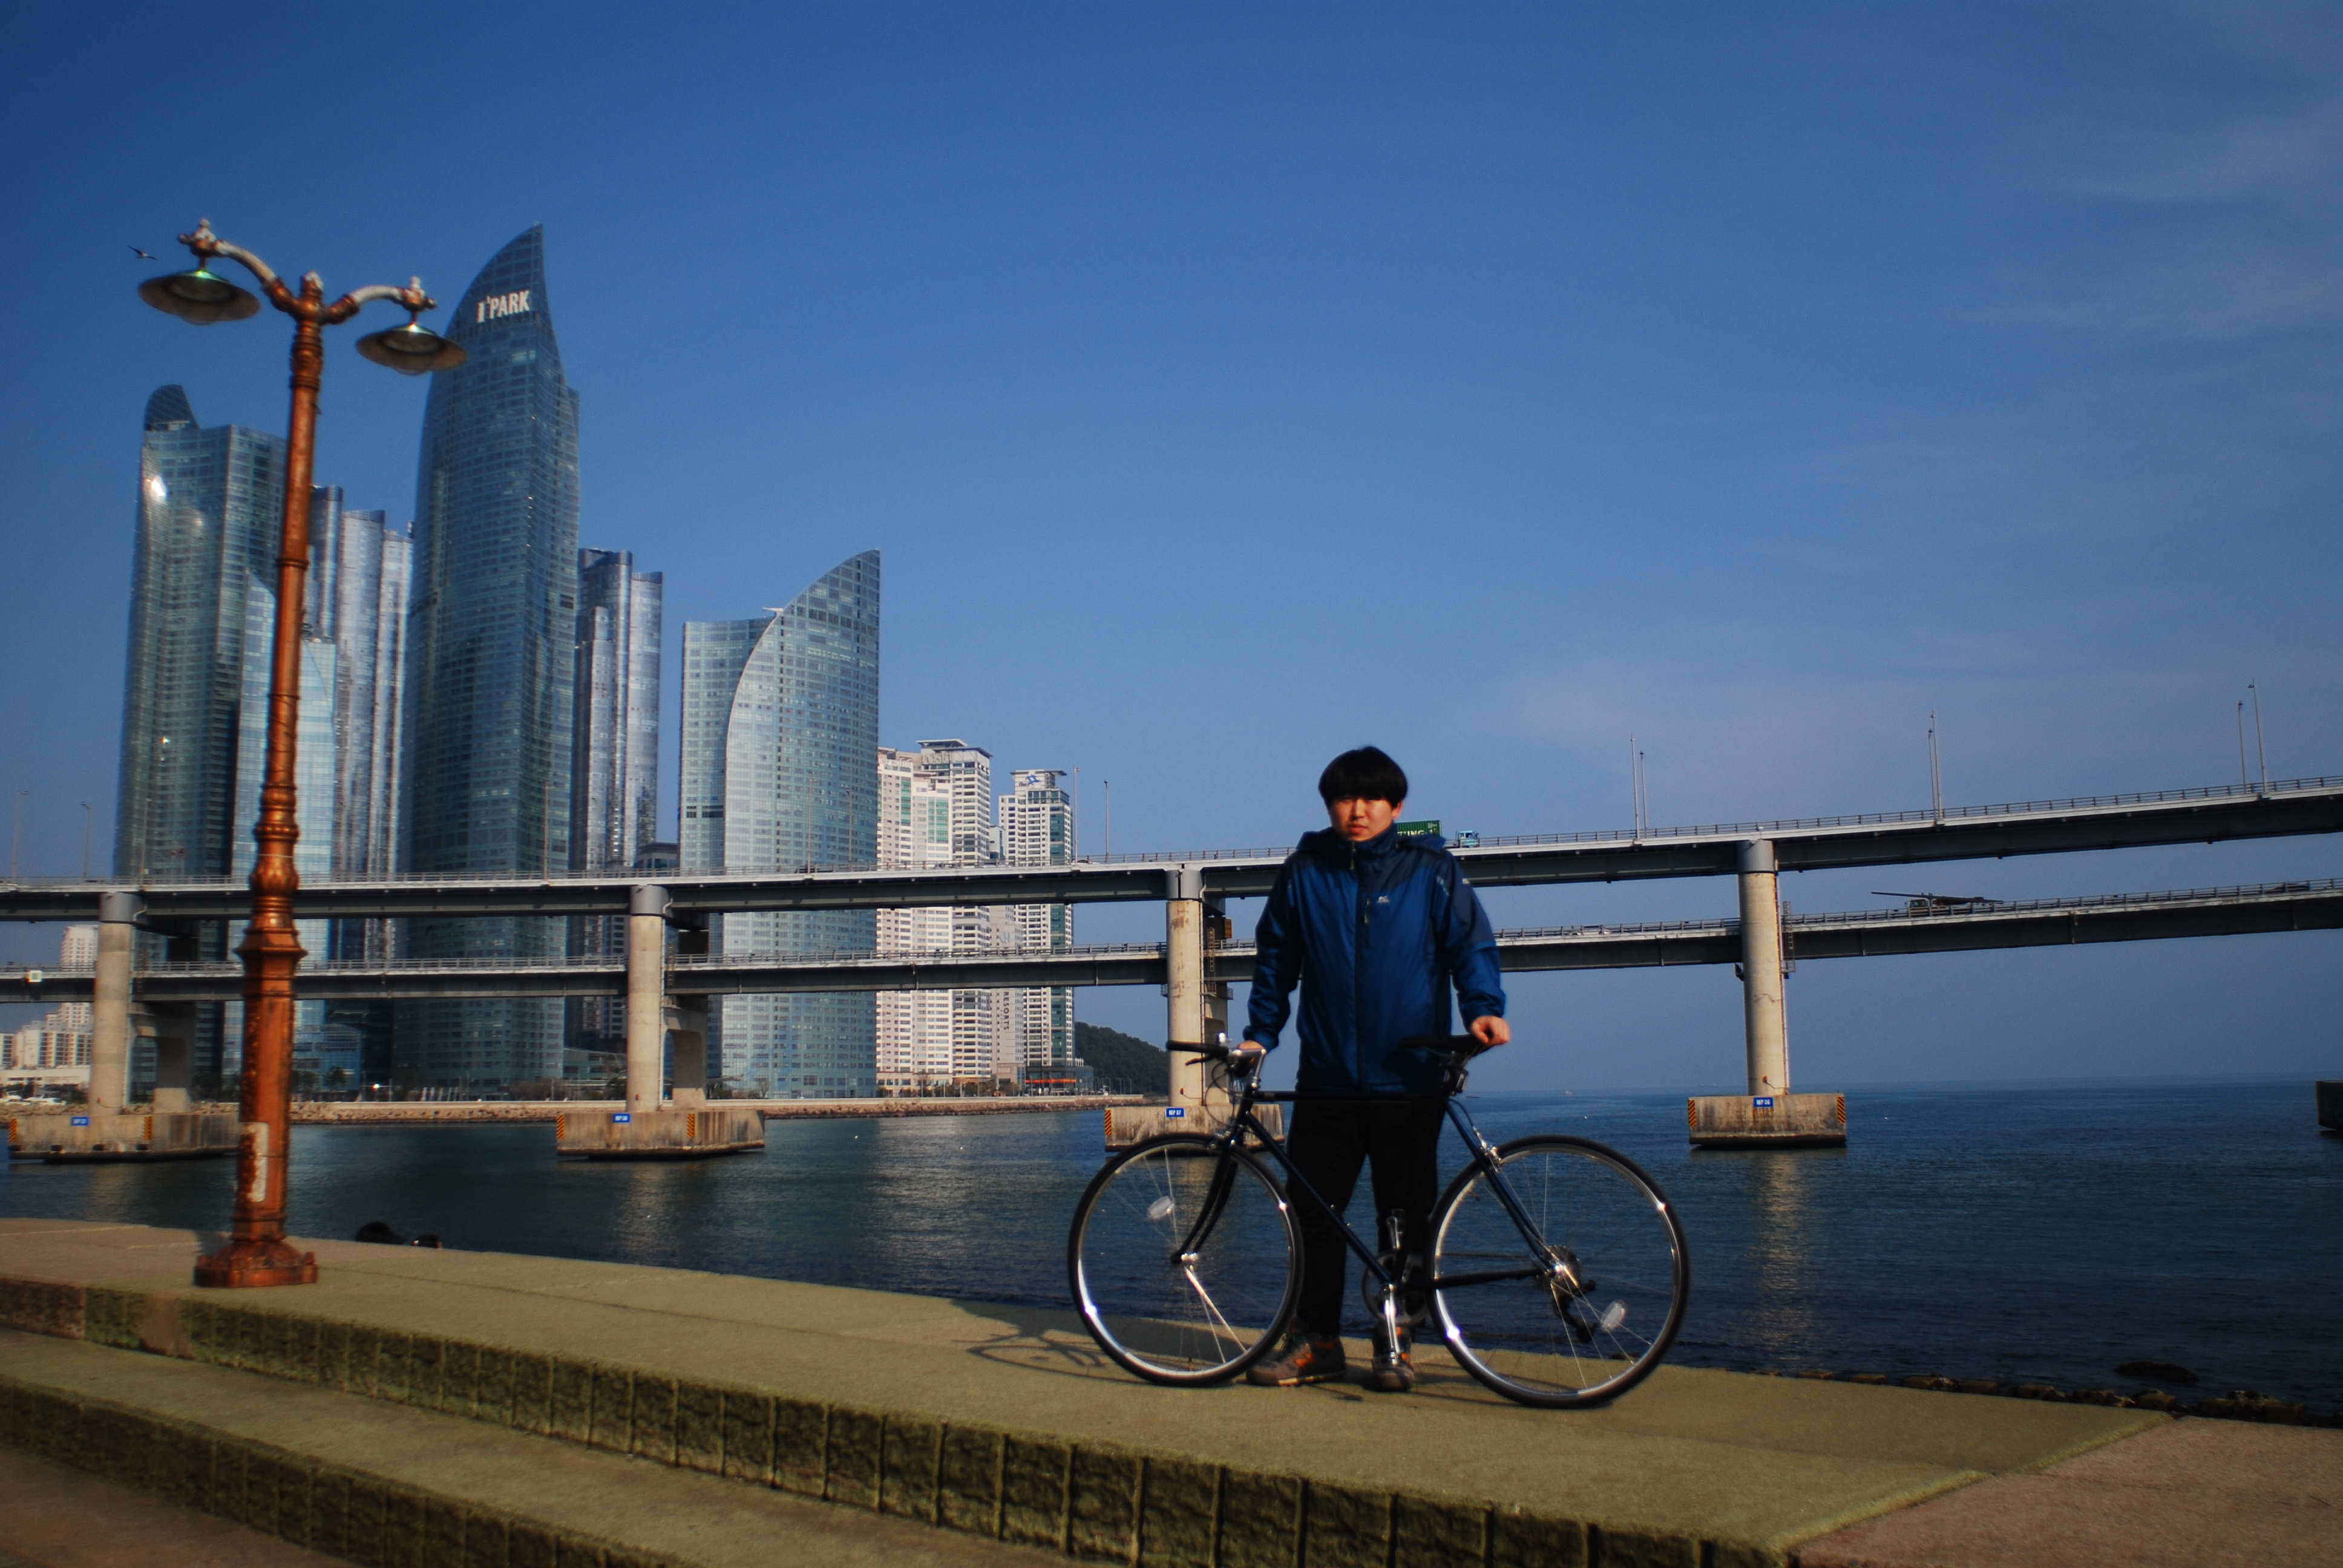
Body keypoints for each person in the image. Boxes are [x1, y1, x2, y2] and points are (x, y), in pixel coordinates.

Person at [1237, 746, 1507, 1392]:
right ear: (1328, 805)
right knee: (1314, 1213)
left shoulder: (1431, 870)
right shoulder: (1304, 872)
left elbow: (1470, 945)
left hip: (1409, 1077)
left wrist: (1483, 1008)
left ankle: (1397, 1342)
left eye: (1372, 799)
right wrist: (1260, 1034)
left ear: (1396, 806)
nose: (1357, 810)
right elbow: (1276, 959)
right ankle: (1317, 1341)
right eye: (1343, 798)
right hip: (1326, 1076)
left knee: (1405, 1216)